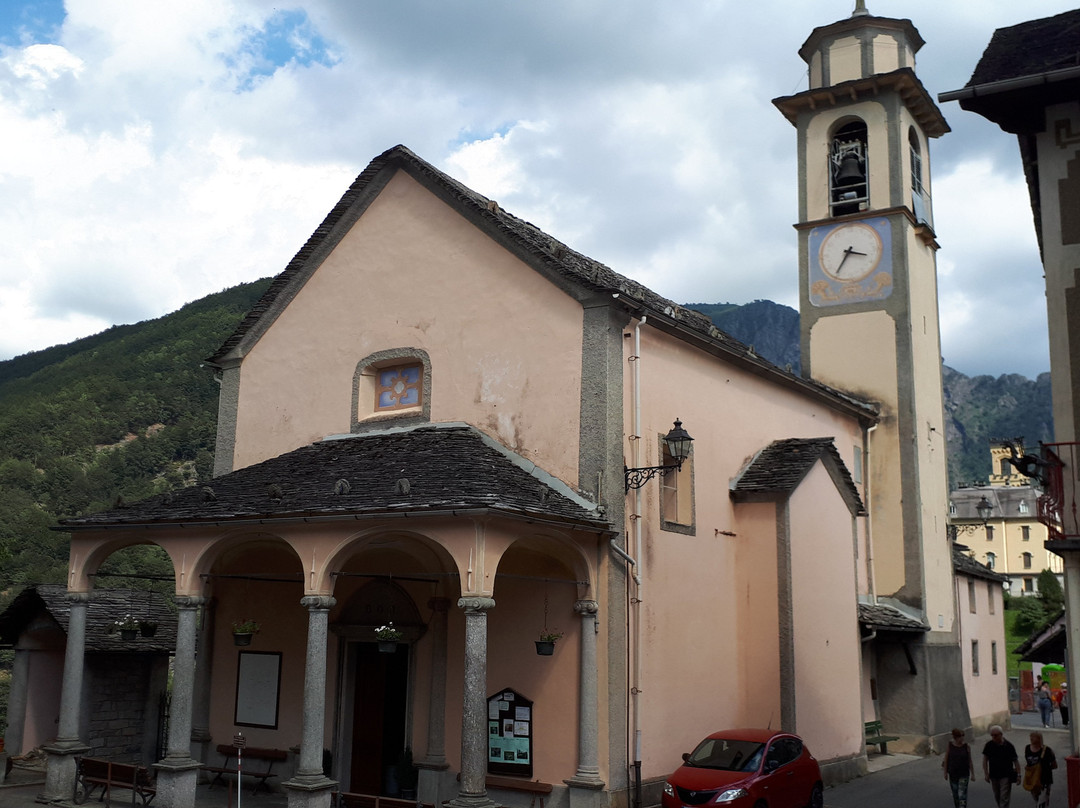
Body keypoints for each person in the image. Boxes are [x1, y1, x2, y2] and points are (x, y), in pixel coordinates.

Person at [984, 725, 1021, 808]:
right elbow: (985, 760)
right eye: (992, 735)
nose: (993, 737)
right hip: (994, 775)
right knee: (997, 796)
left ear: (1001, 734)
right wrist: (986, 774)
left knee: (1004, 797)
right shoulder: (989, 745)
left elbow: (1016, 761)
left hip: (1006, 775)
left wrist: (1019, 775)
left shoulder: (1009, 746)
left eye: (995, 735)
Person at [1022, 730, 1057, 808]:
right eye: (1030, 737)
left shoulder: (1047, 750)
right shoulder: (1027, 748)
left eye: (1033, 737)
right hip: (1032, 780)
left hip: (1044, 780)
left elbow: (1054, 765)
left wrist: (1044, 769)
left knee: (1041, 802)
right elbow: (1028, 762)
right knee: (1036, 799)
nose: (1031, 738)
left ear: (1039, 739)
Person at [943, 727, 975, 808]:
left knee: (962, 795)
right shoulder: (950, 746)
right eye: (960, 736)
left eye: (963, 736)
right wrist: (945, 772)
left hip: (964, 774)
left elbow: (970, 760)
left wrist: (973, 774)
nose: (962, 738)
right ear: (956, 737)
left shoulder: (966, 746)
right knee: (955, 795)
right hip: (953, 774)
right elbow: (946, 759)